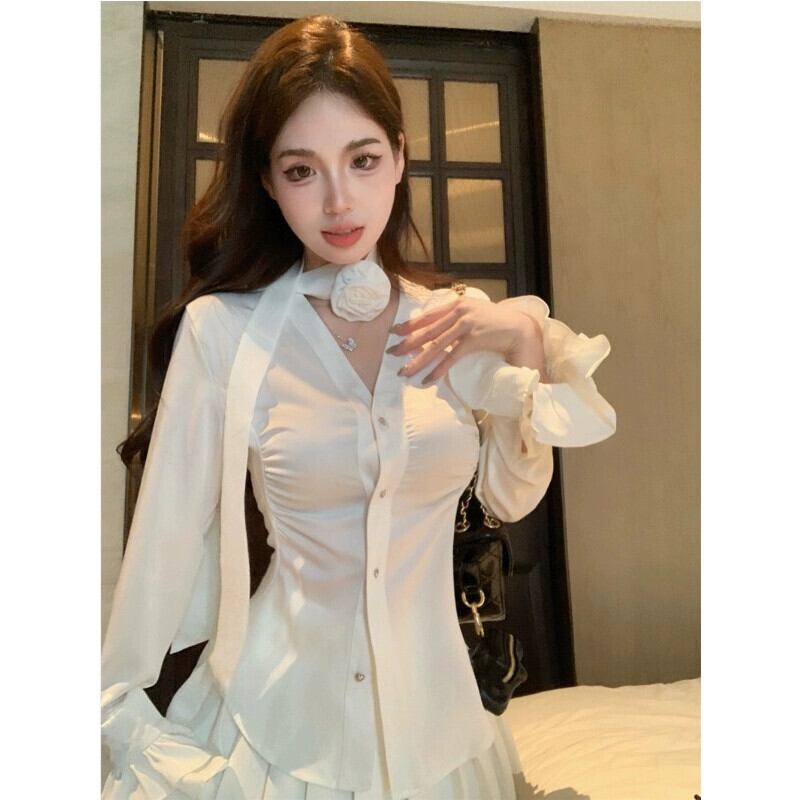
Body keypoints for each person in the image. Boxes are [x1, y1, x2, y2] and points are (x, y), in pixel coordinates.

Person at [101, 14, 617, 800]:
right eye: (301, 170)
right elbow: (164, 540)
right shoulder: (224, 333)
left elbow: (513, 496)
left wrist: (522, 341)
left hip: (441, 735)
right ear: (268, 181)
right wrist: (119, 704)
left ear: (400, 157)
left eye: (363, 159)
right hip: (275, 734)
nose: (339, 200)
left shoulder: (457, 324)